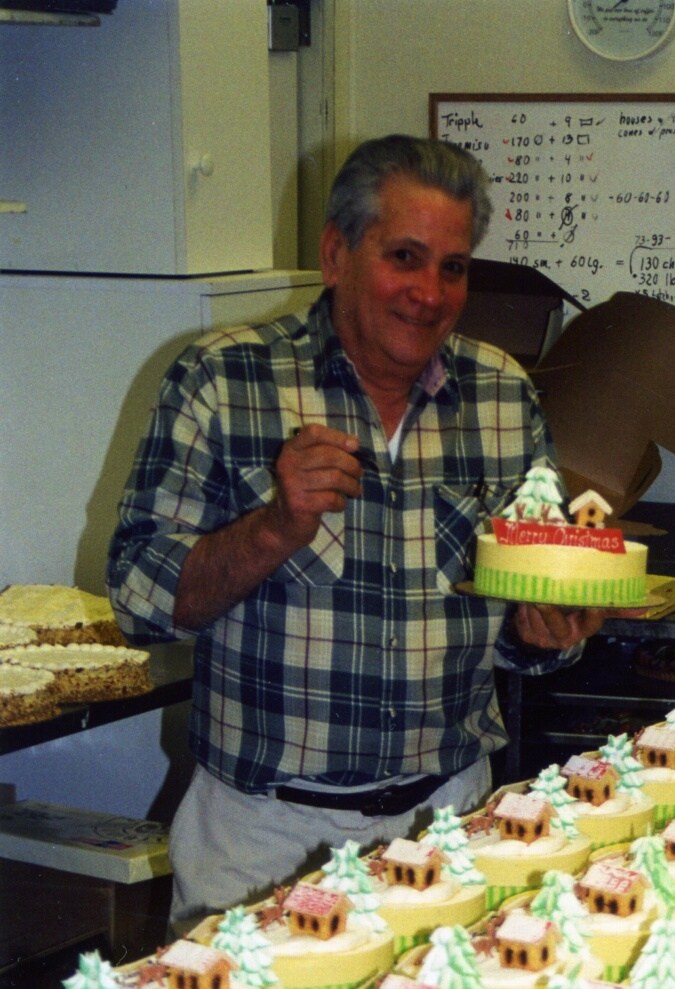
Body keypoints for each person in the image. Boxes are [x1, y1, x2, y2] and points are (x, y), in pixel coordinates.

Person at [107, 134, 617, 926]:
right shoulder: (223, 378)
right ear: (336, 253)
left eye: (452, 266)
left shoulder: (502, 396)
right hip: (258, 837)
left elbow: (521, 627)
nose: (430, 291)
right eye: (404, 257)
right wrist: (274, 527)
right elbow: (138, 597)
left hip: (444, 823)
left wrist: (547, 629)